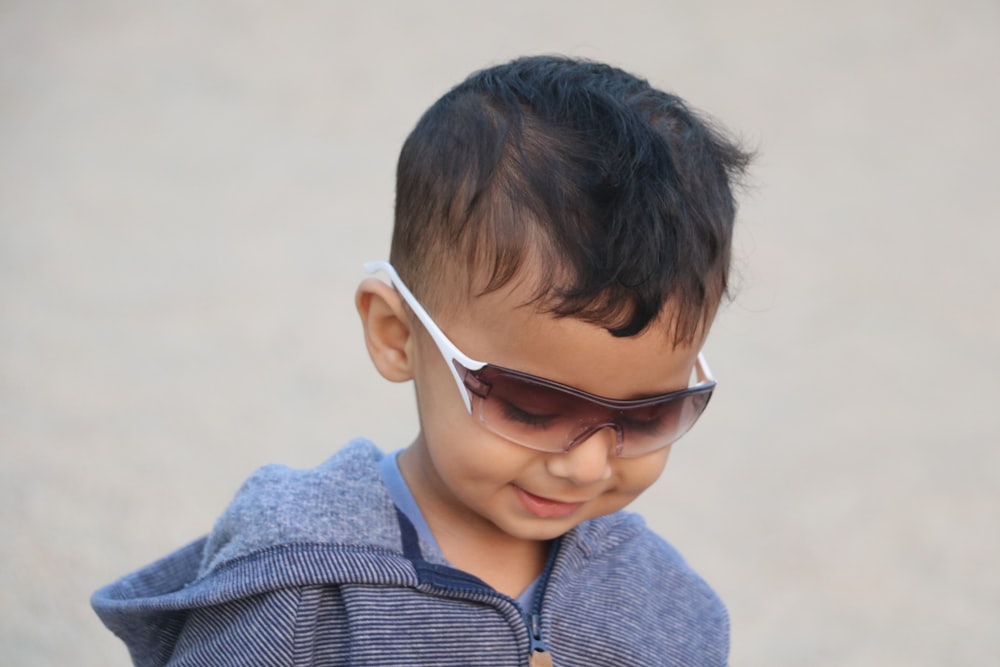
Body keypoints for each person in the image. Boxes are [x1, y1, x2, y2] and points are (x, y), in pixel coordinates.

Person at [93, 55, 751, 666]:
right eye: (534, 405)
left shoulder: (668, 612)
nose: (586, 463)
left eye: (648, 414)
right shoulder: (298, 586)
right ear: (396, 333)